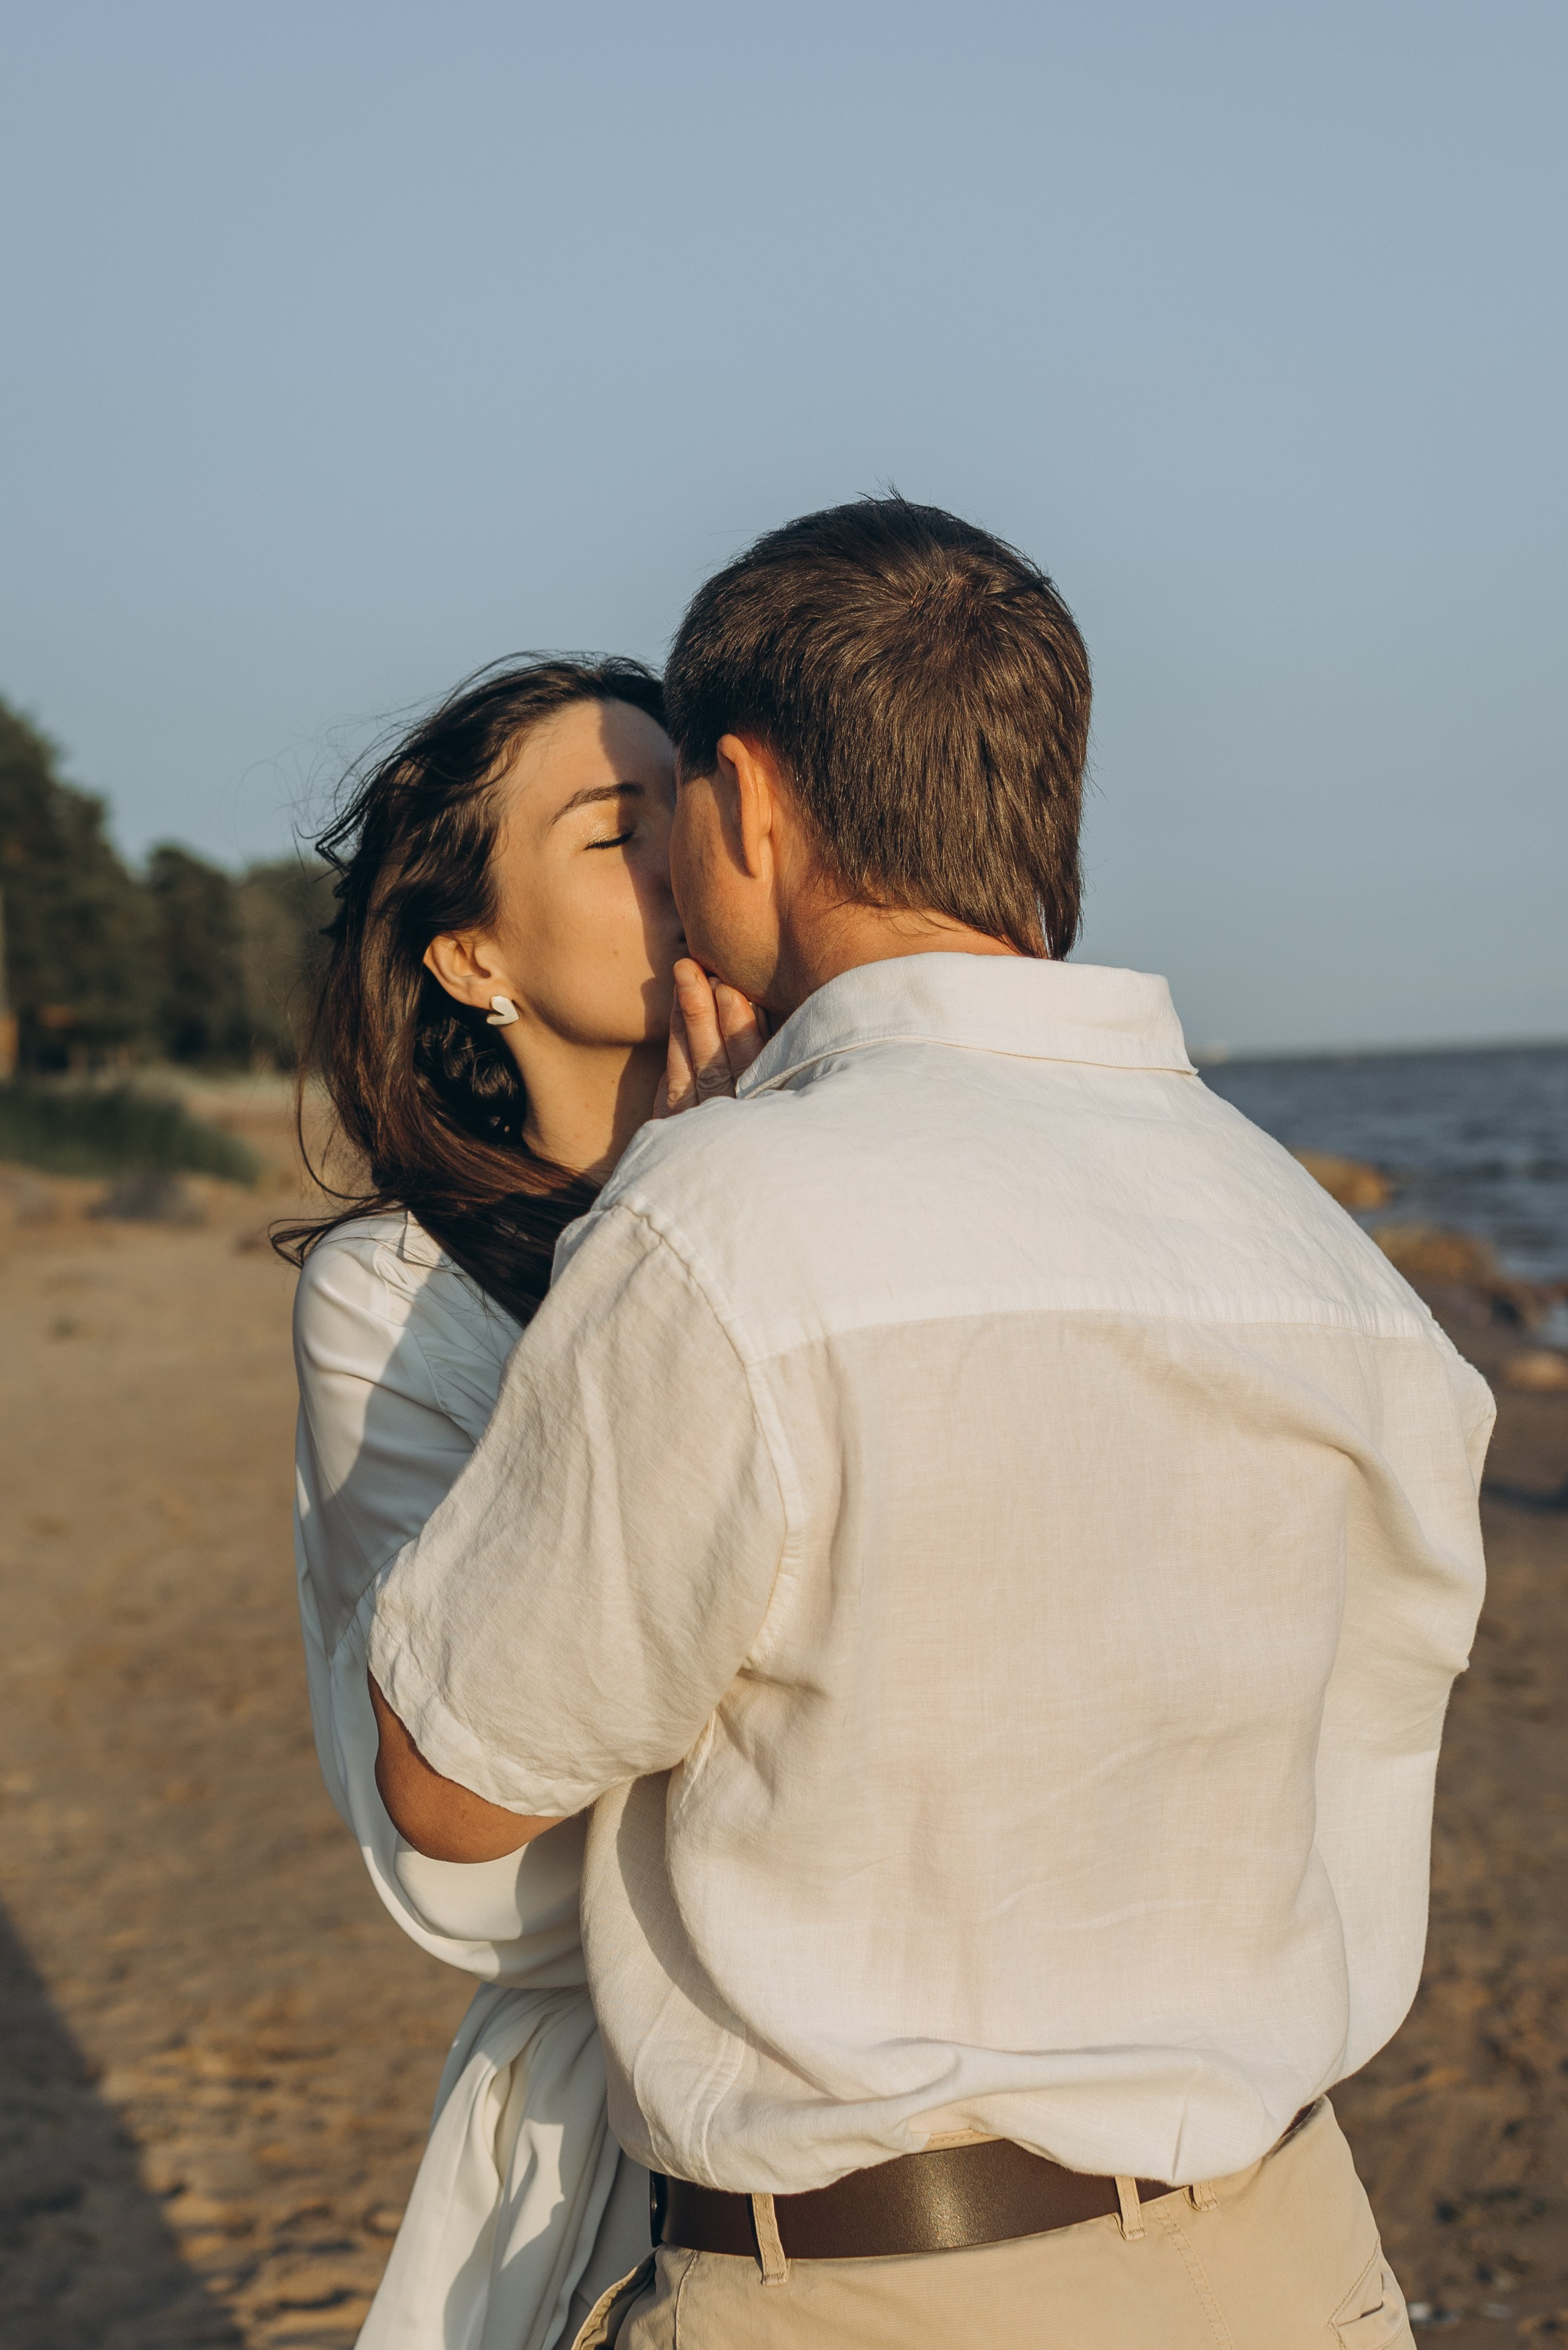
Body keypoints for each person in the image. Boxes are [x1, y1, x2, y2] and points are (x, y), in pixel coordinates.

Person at [366, 499, 1492, 2349]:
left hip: (878, 2288)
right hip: (1292, 2256)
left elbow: (453, 1781)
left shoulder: (715, 1226)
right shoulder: (1315, 1250)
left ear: (744, 805)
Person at [283, 656, 765, 2350]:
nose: (679, 866)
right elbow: (478, 1873)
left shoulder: (846, 1200)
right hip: (625, 2132)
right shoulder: (393, 1300)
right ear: (470, 953)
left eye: (691, 816)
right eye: (611, 834)